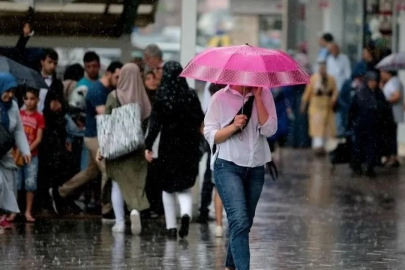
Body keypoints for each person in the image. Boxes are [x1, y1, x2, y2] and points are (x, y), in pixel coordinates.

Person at [204, 83, 277, 270]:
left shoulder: (265, 94)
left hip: (255, 168)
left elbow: (269, 130)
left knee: (245, 222)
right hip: (227, 165)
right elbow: (211, 135)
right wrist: (234, 126)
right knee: (239, 220)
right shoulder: (219, 97)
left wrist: (258, 98)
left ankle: (230, 265)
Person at [49, 62, 123, 219]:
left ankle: (60, 191)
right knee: (108, 170)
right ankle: (106, 208)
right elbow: (103, 114)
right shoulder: (97, 90)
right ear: (108, 73)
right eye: (117, 76)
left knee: (91, 171)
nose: (119, 80)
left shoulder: (105, 89)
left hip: (97, 136)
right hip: (95, 137)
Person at [144, 61, 204, 239]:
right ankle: (185, 214)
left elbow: (154, 126)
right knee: (184, 187)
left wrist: (147, 146)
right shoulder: (191, 95)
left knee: (167, 188)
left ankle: (171, 227)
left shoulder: (162, 97)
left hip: (168, 148)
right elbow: (200, 118)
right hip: (189, 147)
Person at [98, 63, 152, 234]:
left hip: (117, 146)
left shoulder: (114, 96)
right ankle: (135, 210)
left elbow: (106, 122)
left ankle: (120, 222)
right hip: (137, 147)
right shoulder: (143, 98)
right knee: (136, 183)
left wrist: (102, 147)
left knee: (117, 183)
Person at [0, 73, 31, 229]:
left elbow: (18, 130)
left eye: (12, 91)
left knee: (9, 184)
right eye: (7, 90)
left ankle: (2, 215)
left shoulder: (13, 106)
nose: (10, 94)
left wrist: (26, 150)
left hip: (5, 152)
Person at [348, 72, 392, 177]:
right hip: (361, 125)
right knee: (358, 147)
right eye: (371, 81)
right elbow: (352, 110)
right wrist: (352, 124)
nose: (373, 83)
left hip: (374, 126)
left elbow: (384, 110)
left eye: (374, 81)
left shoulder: (379, 94)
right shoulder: (359, 93)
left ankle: (370, 167)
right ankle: (357, 167)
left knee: (372, 147)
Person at [16, 88, 44, 222]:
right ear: (23, 100)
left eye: (32, 98)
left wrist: (27, 150)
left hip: (32, 156)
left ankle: (28, 211)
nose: (29, 102)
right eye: (27, 98)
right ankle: (13, 211)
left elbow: (39, 138)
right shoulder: (19, 114)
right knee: (16, 183)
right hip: (17, 154)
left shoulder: (39, 117)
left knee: (30, 183)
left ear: (38, 100)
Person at [301, 62, 338, 155]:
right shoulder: (313, 78)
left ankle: (326, 148)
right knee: (317, 128)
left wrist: (333, 100)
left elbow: (335, 92)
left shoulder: (331, 79)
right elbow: (307, 94)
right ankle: (318, 148)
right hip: (316, 107)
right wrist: (303, 105)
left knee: (327, 128)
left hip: (327, 106)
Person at [380, 70, 404, 167]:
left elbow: (397, 96)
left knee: (390, 136)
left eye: (382, 73)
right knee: (390, 135)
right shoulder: (392, 82)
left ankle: (393, 157)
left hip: (391, 114)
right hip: (391, 114)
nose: (381, 75)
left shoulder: (394, 81)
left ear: (387, 73)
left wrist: (384, 100)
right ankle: (390, 156)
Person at [36, 49, 64, 113]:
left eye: (55, 63)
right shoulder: (34, 77)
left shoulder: (58, 84)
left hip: (47, 119)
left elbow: (60, 104)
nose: (52, 66)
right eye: (49, 62)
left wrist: (58, 106)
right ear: (42, 62)